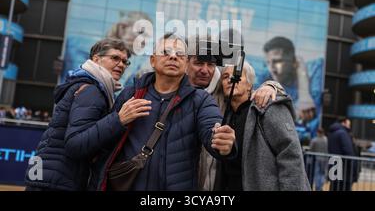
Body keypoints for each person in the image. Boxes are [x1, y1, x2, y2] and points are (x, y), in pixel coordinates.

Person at [95, 33, 236, 191]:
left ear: (186, 63)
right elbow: (103, 143)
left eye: (180, 54)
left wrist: (222, 142)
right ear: (152, 60)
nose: (173, 57)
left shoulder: (200, 100)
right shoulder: (131, 94)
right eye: (166, 52)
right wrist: (118, 120)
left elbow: (213, 130)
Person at [24, 38, 138, 191]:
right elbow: (76, 144)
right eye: (115, 58)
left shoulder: (89, 85)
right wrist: (118, 120)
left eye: (125, 62)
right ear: (96, 59)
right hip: (58, 182)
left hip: (51, 178)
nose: (121, 65)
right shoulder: (92, 90)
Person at [186, 36, 286, 191]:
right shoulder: (174, 89)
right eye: (198, 63)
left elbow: (249, 87)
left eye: (211, 64)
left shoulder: (225, 90)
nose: (205, 70)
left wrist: (272, 86)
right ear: (186, 63)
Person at [216, 61, 310, 191]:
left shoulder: (266, 107)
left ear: (250, 85)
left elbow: (290, 154)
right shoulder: (224, 114)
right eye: (225, 77)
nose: (231, 79)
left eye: (237, 75)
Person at [263, 36, 322, 141]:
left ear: (294, 61)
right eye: (268, 62)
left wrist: (303, 89)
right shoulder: (266, 77)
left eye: (277, 61)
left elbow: (310, 110)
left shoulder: (314, 71)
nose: (271, 67)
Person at [328, 117, 358, 191]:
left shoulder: (332, 133)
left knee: (334, 187)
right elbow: (348, 152)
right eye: (348, 124)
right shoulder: (343, 133)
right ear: (343, 123)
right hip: (344, 170)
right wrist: (354, 168)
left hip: (334, 167)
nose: (349, 126)